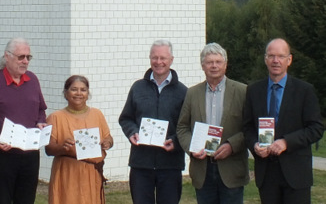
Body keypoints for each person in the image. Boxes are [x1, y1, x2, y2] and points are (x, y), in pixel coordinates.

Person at [243, 38, 324, 204]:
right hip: (267, 173)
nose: (275, 61)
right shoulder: (253, 90)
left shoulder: (304, 91)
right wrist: (255, 146)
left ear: (289, 60)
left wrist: (286, 142)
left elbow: (316, 128)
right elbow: (247, 127)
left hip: (296, 173)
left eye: (280, 56)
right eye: (271, 56)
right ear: (265, 59)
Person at [177, 43, 249, 204]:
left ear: (225, 64)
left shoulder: (242, 91)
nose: (214, 66)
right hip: (203, 169)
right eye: (209, 62)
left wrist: (232, 146)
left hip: (232, 169)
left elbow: (250, 128)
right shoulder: (192, 93)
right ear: (203, 66)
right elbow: (182, 127)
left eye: (218, 61)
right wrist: (192, 148)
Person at [119, 40, 187, 204]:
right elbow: (126, 118)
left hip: (170, 165)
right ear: (150, 59)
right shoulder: (138, 87)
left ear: (171, 60)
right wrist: (132, 132)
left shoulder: (183, 91)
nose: (158, 62)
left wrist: (176, 142)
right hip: (141, 164)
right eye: (154, 57)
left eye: (163, 58)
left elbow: (186, 126)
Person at [0, 37, 47, 204]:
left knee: (26, 200)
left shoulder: (33, 80)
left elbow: (40, 109)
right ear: (7, 56)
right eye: (20, 57)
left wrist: (41, 122)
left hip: (30, 154)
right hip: (3, 155)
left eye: (28, 57)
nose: (25, 61)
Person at [45, 75, 113, 204]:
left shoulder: (96, 114)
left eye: (83, 90)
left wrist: (107, 142)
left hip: (91, 173)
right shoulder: (55, 117)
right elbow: (49, 149)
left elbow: (108, 137)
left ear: (88, 93)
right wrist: (62, 147)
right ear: (66, 93)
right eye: (74, 89)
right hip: (67, 173)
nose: (79, 93)